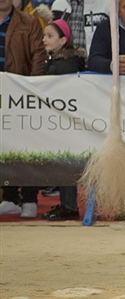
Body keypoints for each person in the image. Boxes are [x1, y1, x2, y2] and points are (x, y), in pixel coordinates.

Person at [0, 0, 47, 218]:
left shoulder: (28, 22)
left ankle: (29, 198)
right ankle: (9, 198)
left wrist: (33, 86)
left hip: (20, 93)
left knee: (27, 147)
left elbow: (38, 54)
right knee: (4, 147)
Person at [39, 19, 87, 220]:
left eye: (50, 36)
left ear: (63, 40)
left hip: (67, 121)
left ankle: (69, 206)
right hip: (63, 120)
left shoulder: (64, 65)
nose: (44, 40)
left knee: (66, 159)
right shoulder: (57, 61)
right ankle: (66, 204)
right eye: (44, 35)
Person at [87, 0, 125, 74]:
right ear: (117, 11)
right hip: (108, 84)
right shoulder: (105, 28)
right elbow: (93, 60)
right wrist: (112, 65)